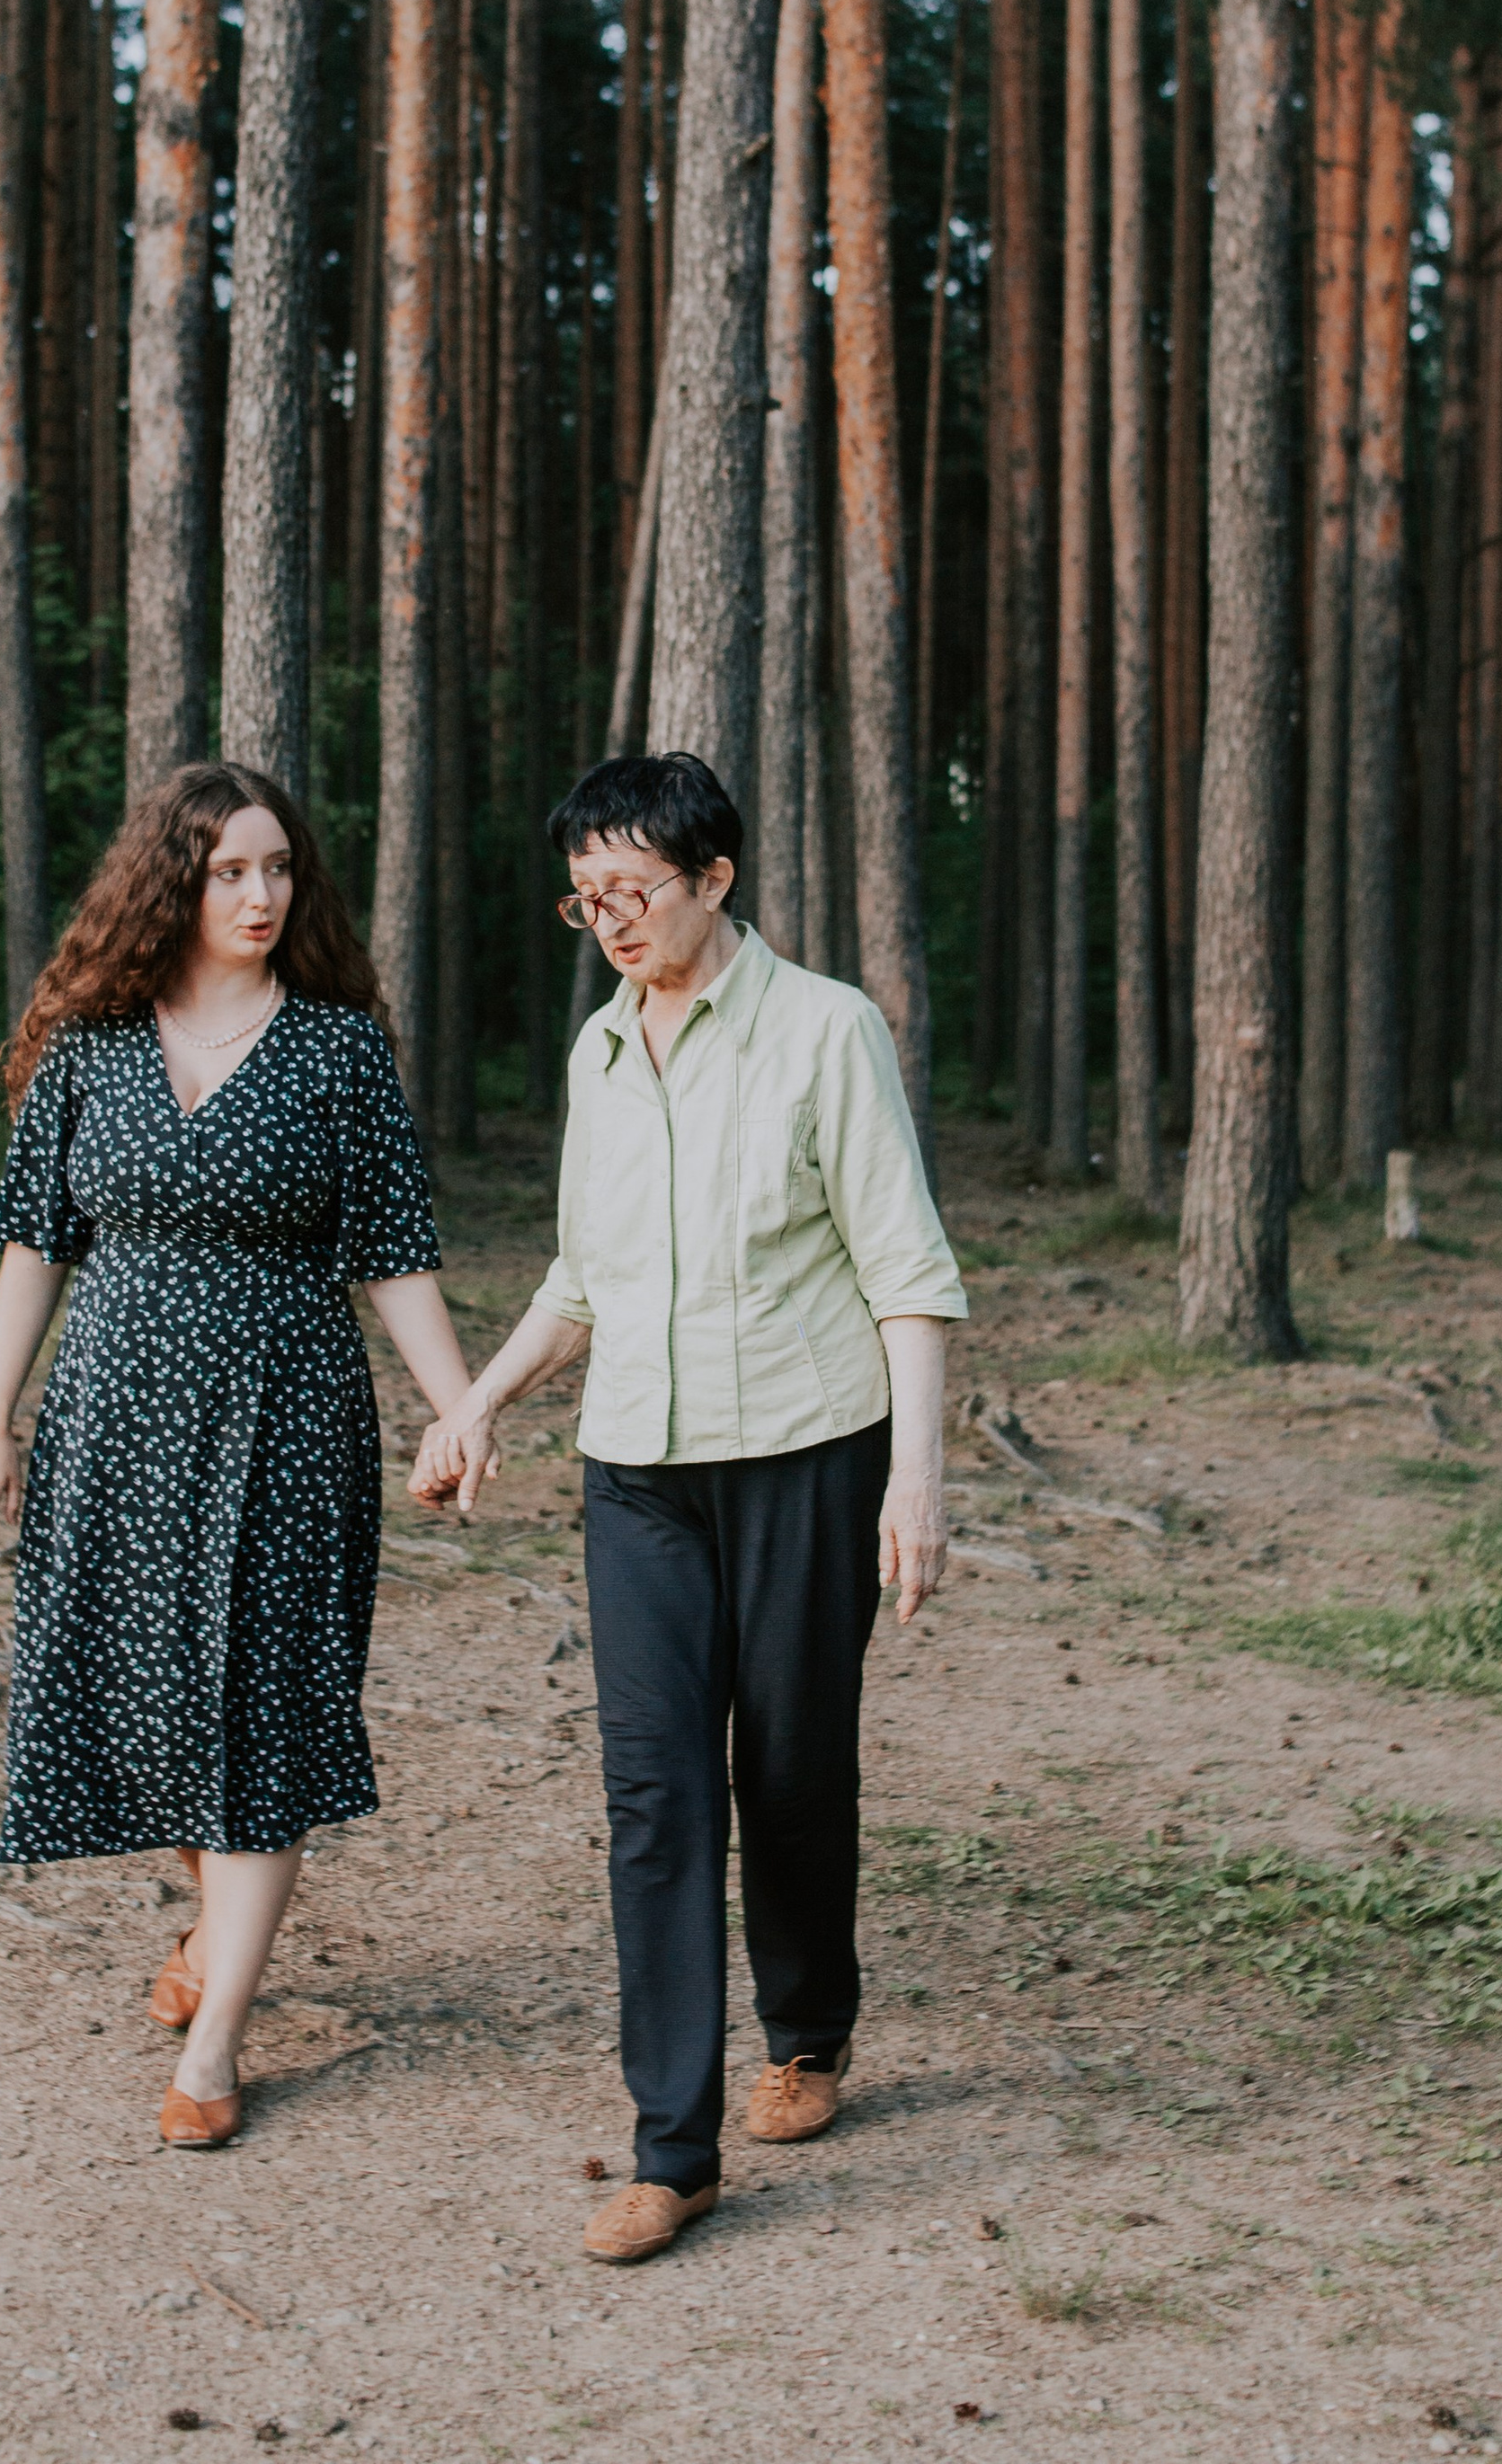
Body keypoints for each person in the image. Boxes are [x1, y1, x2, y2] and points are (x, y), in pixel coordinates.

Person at [413, 750, 964, 2265]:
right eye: (585, 899)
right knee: (656, 1796)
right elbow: (580, 1282)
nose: (610, 922)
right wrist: (475, 1404)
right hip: (638, 1476)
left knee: (788, 1772)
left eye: (634, 891)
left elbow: (905, 1275)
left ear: (715, 879)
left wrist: (915, 1480)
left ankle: (810, 2026)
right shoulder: (601, 1055)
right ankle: (674, 2151)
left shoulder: (824, 1033)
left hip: (806, 1453)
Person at [0, 762, 480, 2152]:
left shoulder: (336, 1050)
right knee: (135, 1705)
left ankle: (217, 2041)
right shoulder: (93, 1040)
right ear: (172, 881)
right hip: (111, 1423)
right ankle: (215, 1918)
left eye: (279, 869)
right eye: (231, 870)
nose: (260, 895)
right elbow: (32, 1242)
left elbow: (397, 1255)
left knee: (260, 1716)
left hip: (284, 1423)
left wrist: (459, 1404)